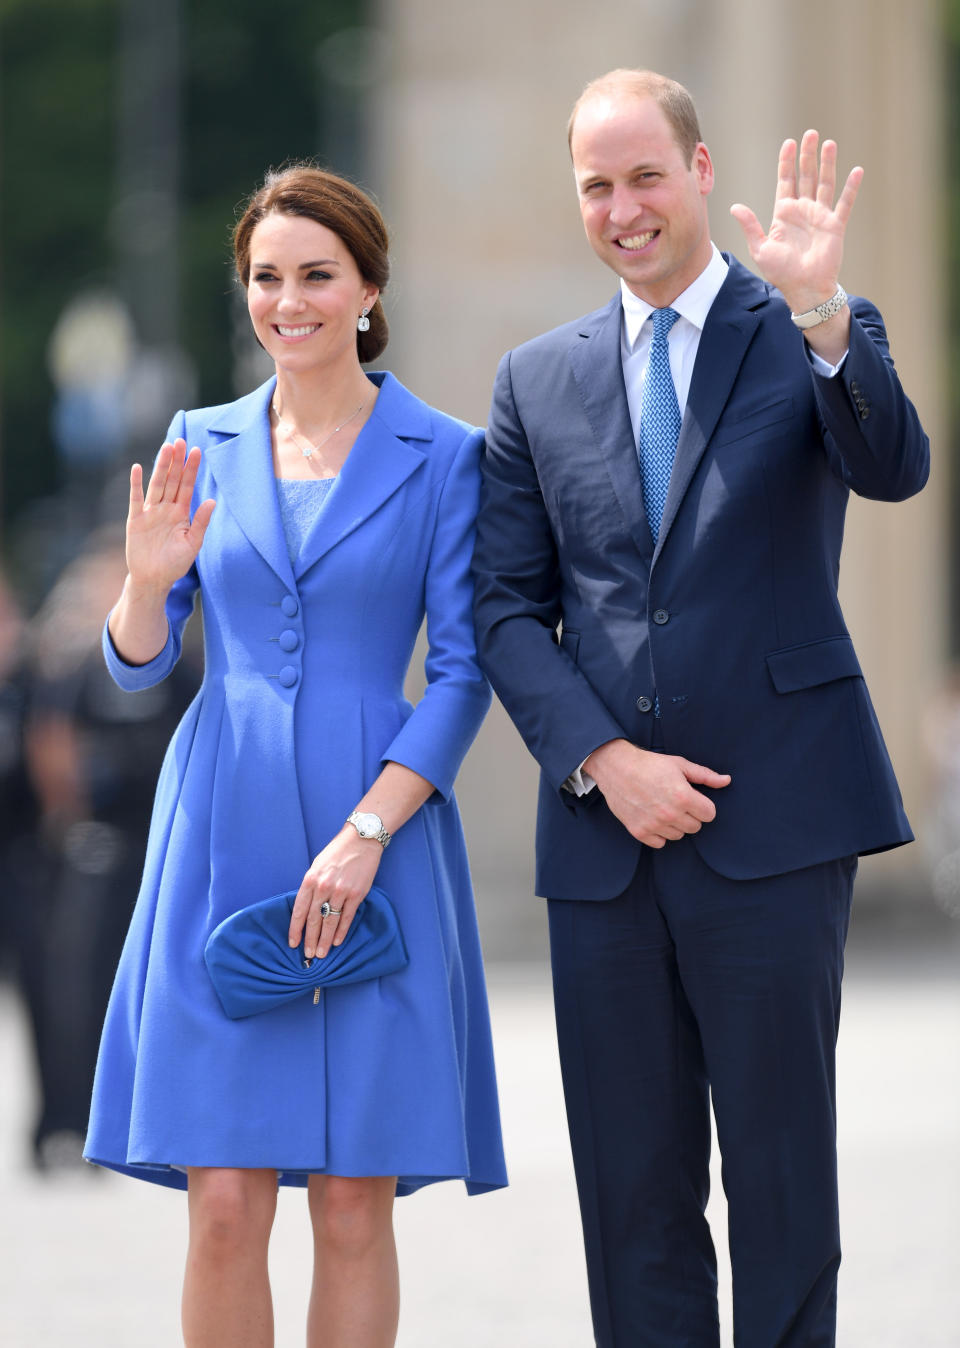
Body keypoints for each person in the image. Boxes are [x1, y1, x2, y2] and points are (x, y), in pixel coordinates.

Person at [472, 68, 928, 1348]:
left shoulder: (807, 327)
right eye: (597, 186)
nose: (623, 208)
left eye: (645, 177)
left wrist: (826, 307)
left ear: (702, 169)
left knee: (785, 1186)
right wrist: (603, 760)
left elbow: (893, 465)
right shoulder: (533, 379)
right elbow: (504, 607)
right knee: (633, 1202)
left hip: (779, 822)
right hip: (606, 848)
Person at [84, 165, 506, 1348]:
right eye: (267, 278)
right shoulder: (195, 441)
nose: (290, 301)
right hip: (219, 826)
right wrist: (145, 583)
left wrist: (370, 832)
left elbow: (466, 675)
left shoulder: (448, 454)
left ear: (369, 289)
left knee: (355, 1199)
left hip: (381, 833)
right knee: (222, 1199)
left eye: (317, 275)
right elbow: (133, 665)